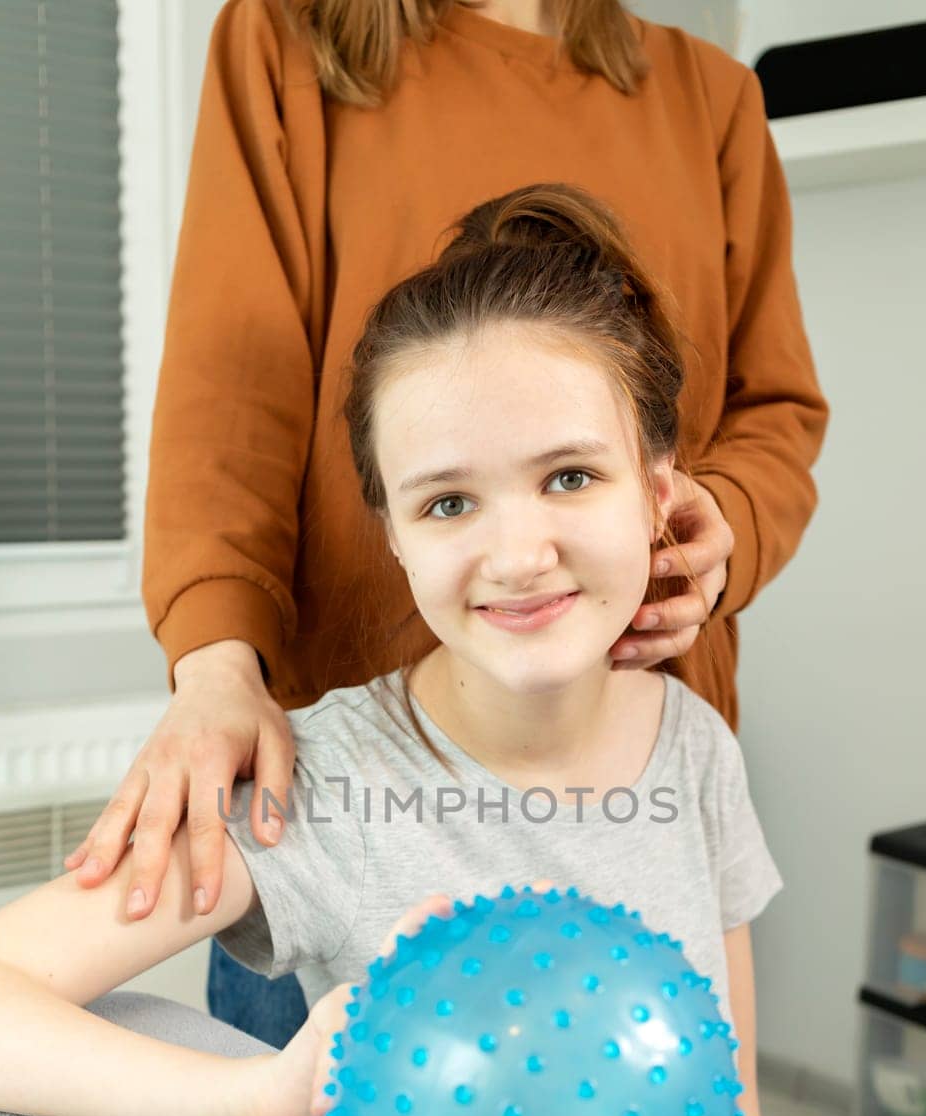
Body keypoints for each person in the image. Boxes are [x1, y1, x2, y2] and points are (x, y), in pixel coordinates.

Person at [0, 182, 781, 1116]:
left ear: (657, 495)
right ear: (393, 537)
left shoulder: (698, 753)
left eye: (569, 476)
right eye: (448, 503)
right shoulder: (324, 786)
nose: (518, 554)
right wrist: (245, 1102)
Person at [59, 0, 828, 1055]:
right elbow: (232, 391)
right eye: (454, 501)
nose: (520, 551)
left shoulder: (710, 97)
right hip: (358, 800)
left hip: (624, 766)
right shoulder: (286, 44)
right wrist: (213, 662)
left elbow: (773, 412)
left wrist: (724, 521)